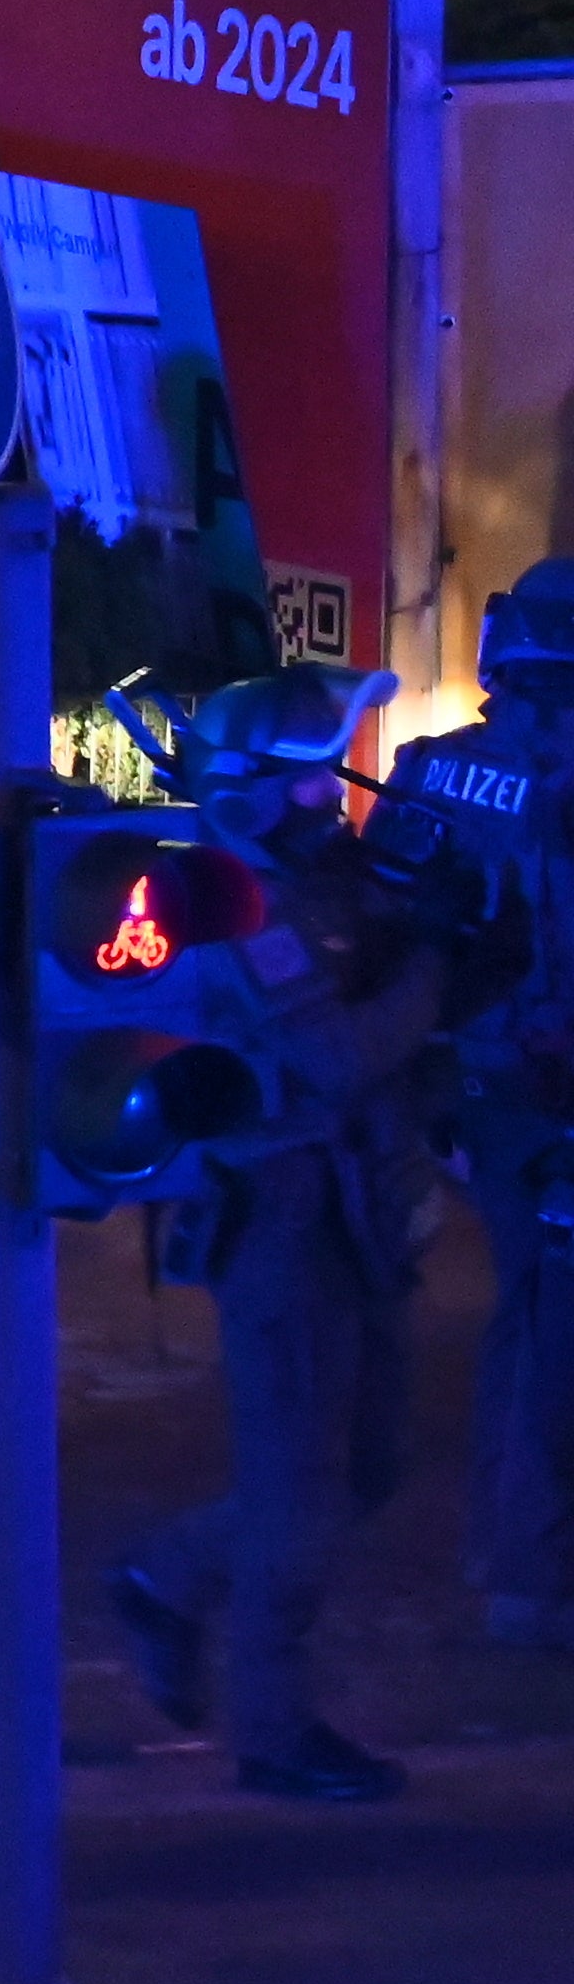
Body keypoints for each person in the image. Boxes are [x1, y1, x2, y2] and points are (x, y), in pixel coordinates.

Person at [115, 664, 440, 1803]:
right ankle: (274, 1728)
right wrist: (438, 980)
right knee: (298, 1486)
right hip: (282, 1218)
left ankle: (169, 1573)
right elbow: (334, 1059)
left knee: (370, 1465)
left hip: (353, 1208)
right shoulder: (233, 903)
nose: (329, 799)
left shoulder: (319, 879)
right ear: (252, 789)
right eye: (308, 780)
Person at [396, 561, 574, 1644]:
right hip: (533, 1091)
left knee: (527, 1312)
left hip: (471, 1090)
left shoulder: (434, 774)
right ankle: (524, 1572)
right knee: (550, 1323)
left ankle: (503, 1550)